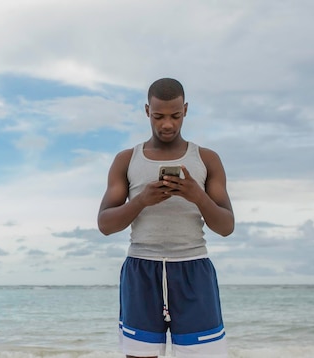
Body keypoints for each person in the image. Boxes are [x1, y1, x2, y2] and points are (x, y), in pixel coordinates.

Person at [97, 78, 234, 358]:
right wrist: (142, 201)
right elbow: (105, 224)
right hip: (141, 269)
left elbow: (226, 226)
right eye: (159, 116)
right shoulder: (127, 159)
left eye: (175, 116)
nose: (167, 124)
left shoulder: (207, 159)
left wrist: (197, 195)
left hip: (193, 268)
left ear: (185, 110)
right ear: (147, 111)